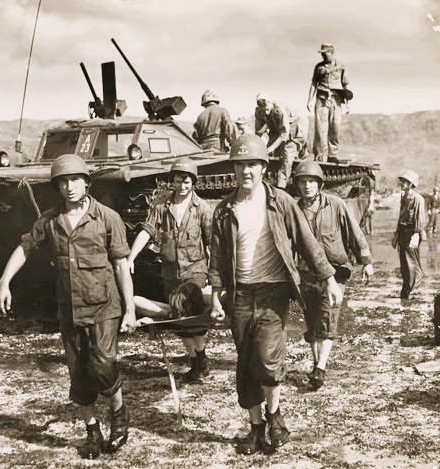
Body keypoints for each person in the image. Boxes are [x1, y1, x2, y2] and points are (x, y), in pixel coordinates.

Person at [0, 154, 136, 460]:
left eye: (75, 180)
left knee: (103, 366)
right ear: (57, 187)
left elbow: (121, 266)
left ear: (86, 183)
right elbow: (25, 247)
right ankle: (92, 431)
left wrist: (130, 310)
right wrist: (4, 282)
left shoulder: (107, 218)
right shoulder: (50, 220)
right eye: (63, 182)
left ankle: (119, 414)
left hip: (104, 307)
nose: (69, 187)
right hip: (70, 308)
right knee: (79, 375)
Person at [208, 134, 343, 454]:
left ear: (263, 168)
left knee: (268, 361)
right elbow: (217, 258)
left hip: (273, 293)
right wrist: (215, 297)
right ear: (233, 168)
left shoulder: (281, 202)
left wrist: (329, 279)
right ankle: (256, 428)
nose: (246, 171)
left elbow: (307, 242)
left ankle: (275, 416)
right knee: (246, 364)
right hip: (241, 295)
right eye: (240, 164)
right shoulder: (224, 209)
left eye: (253, 164)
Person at [128, 158, 213, 383]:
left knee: (191, 317)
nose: (182, 186)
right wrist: (131, 257)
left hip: (195, 271)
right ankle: (197, 360)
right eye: (178, 181)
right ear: (172, 181)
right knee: (179, 319)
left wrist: (216, 273)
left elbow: (212, 242)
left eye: (186, 182)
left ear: (193, 183)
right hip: (170, 273)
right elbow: (147, 231)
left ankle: (199, 359)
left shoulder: (202, 208)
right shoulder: (161, 206)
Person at [293, 161, 374, 389]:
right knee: (312, 323)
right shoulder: (294, 210)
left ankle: (320, 368)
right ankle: (316, 363)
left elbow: (355, 233)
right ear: (297, 184)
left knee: (328, 319)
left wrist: (366, 261)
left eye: (312, 181)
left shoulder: (336, 205)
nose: (307, 185)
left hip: (336, 273)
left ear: (320, 183)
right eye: (303, 181)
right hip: (306, 274)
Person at [306, 43, 351, 162]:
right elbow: (314, 84)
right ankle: (319, 155)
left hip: (336, 100)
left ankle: (332, 155)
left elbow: (345, 86)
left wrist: (347, 104)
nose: (323, 56)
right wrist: (309, 100)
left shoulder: (341, 66)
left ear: (331, 53)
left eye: (325, 54)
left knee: (335, 128)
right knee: (320, 128)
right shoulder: (319, 67)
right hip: (322, 99)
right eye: (322, 54)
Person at [254, 91, 306, 189]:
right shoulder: (259, 111)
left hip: (292, 129)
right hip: (276, 128)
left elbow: (284, 133)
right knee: (268, 154)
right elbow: (258, 132)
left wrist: (272, 147)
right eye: (263, 110)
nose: (265, 112)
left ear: (270, 103)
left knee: (286, 156)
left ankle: (281, 187)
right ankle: (264, 182)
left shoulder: (279, 109)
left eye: (267, 109)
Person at [392, 170, 427, 300]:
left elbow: (420, 218)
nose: (402, 183)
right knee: (404, 264)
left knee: (411, 263)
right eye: (402, 181)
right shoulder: (404, 197)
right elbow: (401, 217)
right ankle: (406, 289)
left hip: (412, 233)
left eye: (405, 181)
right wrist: (396, 234)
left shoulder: (418, 199)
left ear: (411, 184)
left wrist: (416, 235)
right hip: (403, 232)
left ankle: (410, 290)